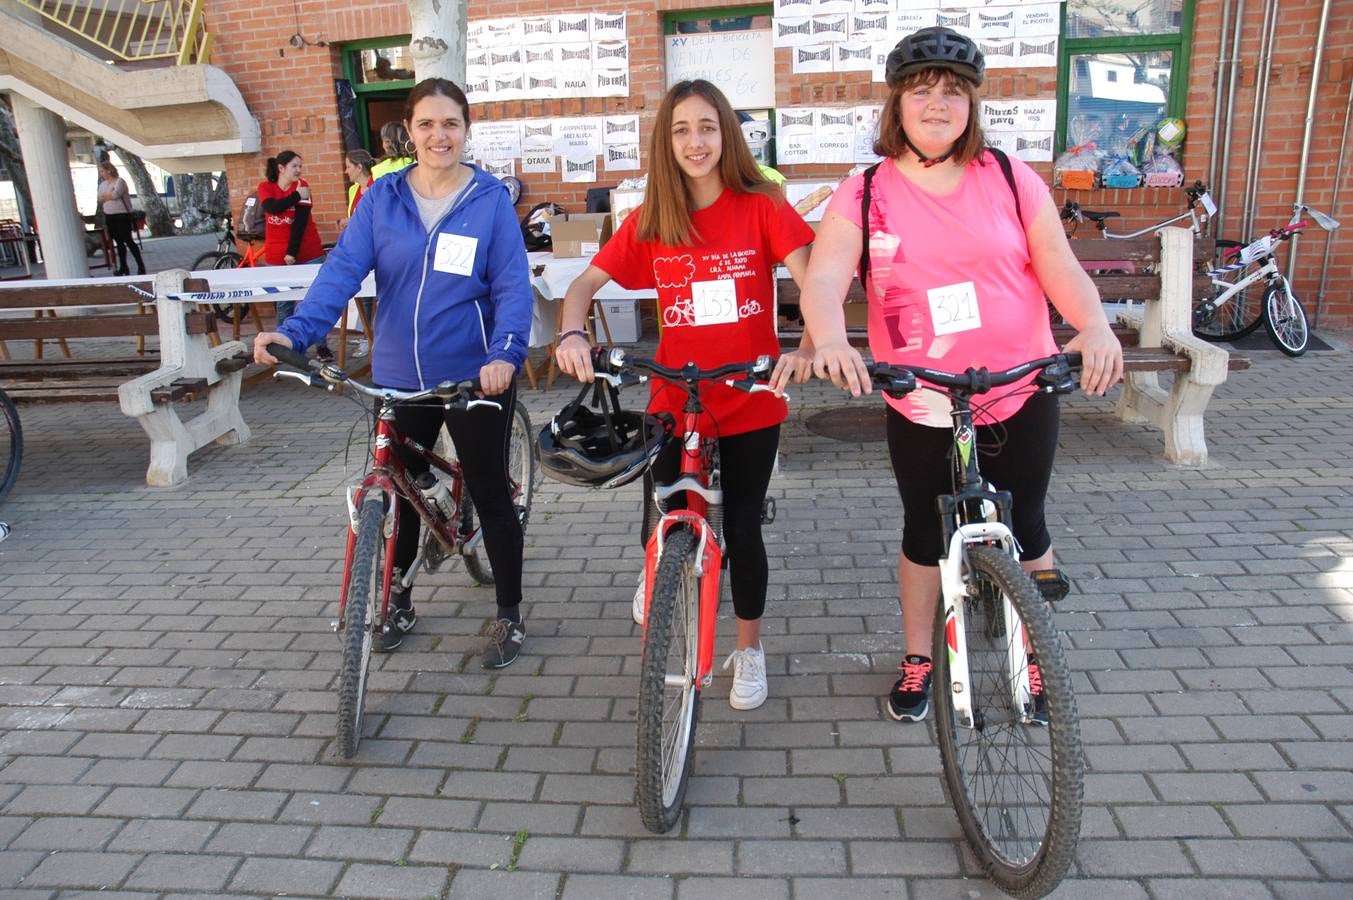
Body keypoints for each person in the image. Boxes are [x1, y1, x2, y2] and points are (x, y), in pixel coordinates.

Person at [797, 27, 1123, 722]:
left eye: (952, 91)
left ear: (971, 105)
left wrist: (1092, 325)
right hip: (919, 395)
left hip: (1017, 384)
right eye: (921, 91)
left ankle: (1035, 657)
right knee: (922, 530)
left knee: (1026, 523)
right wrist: (828, 337)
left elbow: (1057, 265)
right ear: (897, 107)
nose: (937, 104)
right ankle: (920, 657)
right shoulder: (863, 192)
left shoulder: (1007, 175)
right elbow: (824, 276)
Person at [253, 78, 534, 668]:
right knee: (401, 489)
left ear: (466, 130)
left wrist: (506, 354)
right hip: (398, 375)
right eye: (427, 124)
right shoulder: (381, 200)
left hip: (473, 375)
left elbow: (512, 286)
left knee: (488, 489)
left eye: (451, 124)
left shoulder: (488, 201)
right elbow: (341, 274)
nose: (439, 135)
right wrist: (296, 333)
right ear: (410, 131)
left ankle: (509, 615)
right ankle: (398, 598)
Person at [554, 79, 815, 711]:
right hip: (677, 393)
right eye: (680, 131)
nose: (694, 142)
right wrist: (570, 333)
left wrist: (809, 345)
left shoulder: (763, 206)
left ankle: (748, 649)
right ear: (665, 144)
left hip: (750, 393)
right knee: (664, 500)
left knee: (744, 527)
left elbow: (816, 284)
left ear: (725, 132)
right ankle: (662, 568)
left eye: (705, 127)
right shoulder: (654, 218)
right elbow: (582, 287)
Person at [258, 150, 332, 360]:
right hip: (275, 256)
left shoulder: (303, 187)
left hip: (306, 251)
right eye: (294, 166)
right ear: (281, 168)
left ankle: (321, 346)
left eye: (300, 166)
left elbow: (300, 223)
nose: (299, 170)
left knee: (314, 299)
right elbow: (272, 208)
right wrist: (296, 196)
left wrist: (291, 252)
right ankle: (283, 346)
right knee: (283, 302)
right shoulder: (266, 187)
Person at [339, 149, 376, 357]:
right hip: (360, 249)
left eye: (349, 167)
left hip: (376, 249)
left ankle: (372, 338)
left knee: (376, 296)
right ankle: (366, 336)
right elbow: (354, 217)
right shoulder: (354, 191)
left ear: (360, 167)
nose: (346, 171)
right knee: (363, 296)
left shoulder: (377, 186)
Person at [96, 162, 145, 276]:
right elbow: (99, 198)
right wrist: (108, 195)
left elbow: (115, 195)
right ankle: (123, 266)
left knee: (128, 240)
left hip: (122, 215)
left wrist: (107, 196)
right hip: (109, 215)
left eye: (102, 171)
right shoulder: (103, 184)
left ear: (109, 170)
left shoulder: (120, 181)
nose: (101, 173)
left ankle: (140, 265)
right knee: (118, 242)